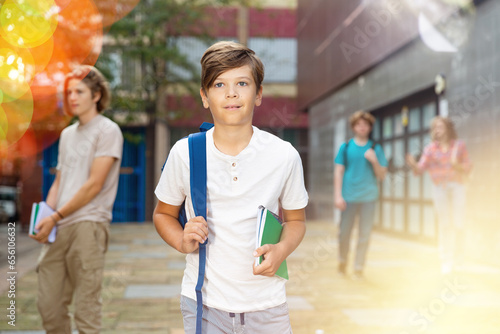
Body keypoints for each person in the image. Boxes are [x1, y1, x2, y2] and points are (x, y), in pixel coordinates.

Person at [153, 41, 308, 333]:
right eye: (219, 84)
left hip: (268, 305)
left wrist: (282, 249)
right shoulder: (185, 153)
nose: (231, 93)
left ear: (258, 93)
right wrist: (181, 240)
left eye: (242, 83)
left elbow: (296, 221)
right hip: (205, 304)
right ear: (204, 96)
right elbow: (163, 214)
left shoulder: (284, 155)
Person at [30, 65, 123, 334]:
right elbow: (59, 181)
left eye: (79, 91)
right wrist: (45, 217)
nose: (72, 97)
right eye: (69, 92)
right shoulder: (67, 134)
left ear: (96, 95)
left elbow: (94, 184)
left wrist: (56, 216)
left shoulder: (108, 130)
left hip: (88, 226)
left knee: (86, 309)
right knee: (48, 306)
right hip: (58, 226)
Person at [406, 116, 471, 275]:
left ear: (448, 129)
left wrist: (459, 166)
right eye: (435, 127)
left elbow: (468, 166)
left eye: (440, 127)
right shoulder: (430, 149)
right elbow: (420, 169)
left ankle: (459, 260)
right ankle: (446, 261)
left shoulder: (459, 146)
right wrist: (414, 165)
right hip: (439, 188)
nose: (437, 130)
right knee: (445, 224)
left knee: (459, 223)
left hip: (457, 187)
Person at [334, 111, 387, 279]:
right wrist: (337, 195)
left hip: (369, 198)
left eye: (365, 124)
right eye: (359, 124)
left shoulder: (375, 148)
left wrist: (374, 161)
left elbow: (382, 175)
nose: (362, 127)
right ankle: (343, 262)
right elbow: (338, 171)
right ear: (354, 127)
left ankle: (358, 267)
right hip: (348, 197)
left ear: (370, 127)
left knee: (365, 234)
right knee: (344, 233)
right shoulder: (346, 146)